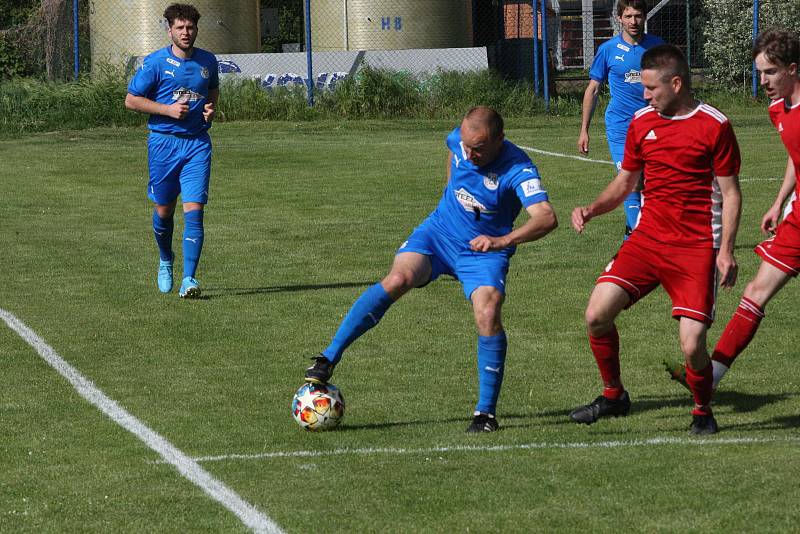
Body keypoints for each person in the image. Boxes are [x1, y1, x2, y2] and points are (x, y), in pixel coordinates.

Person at [303, 107, 558, 433]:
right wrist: (448, 194)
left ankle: (485, 414)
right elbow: (452, 152)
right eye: (467, 146)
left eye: (479, 148)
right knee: (398, 278)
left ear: (500, 140)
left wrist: (502, 240)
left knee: (488, 311)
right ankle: (327, 358)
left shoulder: (518, 168)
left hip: (483, 251)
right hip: (439, 234)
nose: (470, 153)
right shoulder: (459, 141)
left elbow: (546, 218)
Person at [570, 44, 742, 435]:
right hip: (647, 240)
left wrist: (727, 251)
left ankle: (702, 410)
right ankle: (614, 395)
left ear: (676, 83)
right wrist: (593, 209)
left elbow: (731, 193)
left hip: (697, 247)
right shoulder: (641, 122)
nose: (644, 96)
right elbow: (627, 182)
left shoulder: (714, 125)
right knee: (596, 314)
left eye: (651, 88)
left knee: (691, 345)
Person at [665, 29, 800, 393]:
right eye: (758, 73)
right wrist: (778, 202)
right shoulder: (778, 110)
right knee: (755, 291)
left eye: (770, 72)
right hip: (797, 220)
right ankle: (711, 376)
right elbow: (795, 156)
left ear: (792, 69)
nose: (763, 81)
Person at [125, 3, 219, 298]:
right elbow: (131, 100)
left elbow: (212, 89)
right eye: (180, 28)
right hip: (163, 144)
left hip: (197, 144)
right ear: (169, 30)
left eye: (190, 27)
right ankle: (166, 259)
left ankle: (189, 279)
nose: (186, 32)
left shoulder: (208, 61)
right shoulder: (155, 63)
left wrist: (210, 111)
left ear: (196, 29)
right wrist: (166, 109)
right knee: (164, 210)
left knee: (195, 210)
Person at [578, 0, 664, 239]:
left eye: (637, 16)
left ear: (645, 17)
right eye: (628, 16)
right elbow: (593, 89)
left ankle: (634, 231)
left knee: (652, 181)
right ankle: (637, 235)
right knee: (630, 180)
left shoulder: (657, 47)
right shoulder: (608, 50)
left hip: (654, 125)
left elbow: (673, 84)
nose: (633, 21)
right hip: (620, 127)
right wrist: (584, 129)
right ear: (620, 19)